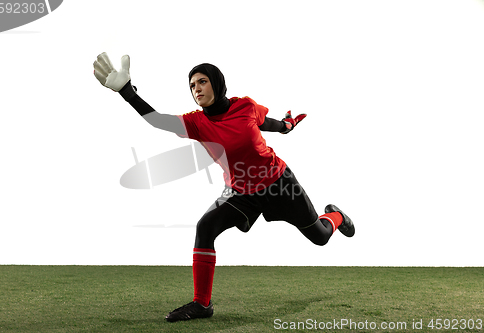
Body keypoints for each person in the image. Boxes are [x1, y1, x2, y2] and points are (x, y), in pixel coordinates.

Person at [93, 52, 355, 322]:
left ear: (217, 83)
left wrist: (287, 125)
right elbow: (157, 119)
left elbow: (269, 123)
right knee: (205, 227)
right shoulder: (197, 122)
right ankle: (201, 305)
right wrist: (127, 92)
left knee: (321, 237)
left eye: (202, 82)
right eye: (192, 85)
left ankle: (336, 215)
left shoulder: (245, 106)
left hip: (279, 184)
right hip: (241, 193)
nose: (197, 89)